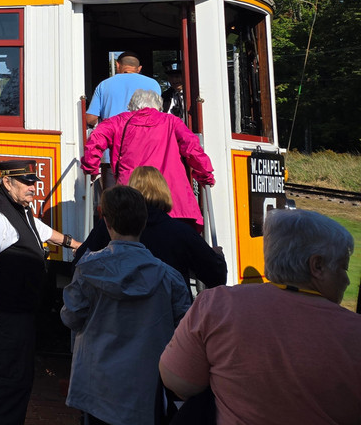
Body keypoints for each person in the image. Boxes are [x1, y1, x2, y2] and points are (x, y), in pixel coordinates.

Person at [159, 209, 361, 425]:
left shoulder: (216, 305)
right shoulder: (354, 332)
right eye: (343, 268)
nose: (347, 281)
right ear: (317, 266)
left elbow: (177, 382)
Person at [63, 185, 192, 425]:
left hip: (97, 386)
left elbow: (71, 317)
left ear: (107, 223)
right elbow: (184, 331)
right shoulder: (169, 277)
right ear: (143, 223)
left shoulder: (88, 269)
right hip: (146, 388)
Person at [0, 159, 81, 425]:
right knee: (8, 383)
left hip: (20, 313)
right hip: (5, 314)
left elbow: (44, 232)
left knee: (19, 381)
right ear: (7, 182)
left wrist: (76, 244)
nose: (34, 188)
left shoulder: (22, 210)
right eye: (27, 182)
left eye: (35, 182)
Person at [75, 166, 227, 289]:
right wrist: (218, 257)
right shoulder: (181, 232)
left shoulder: (110, 226)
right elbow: (216, 277)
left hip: (118, 318)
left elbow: (80, 261)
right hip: (168, 319)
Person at [82, 89, 214, 227]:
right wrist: (205, 175)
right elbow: (192, 148)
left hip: (131, 196)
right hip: (172, 198)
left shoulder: (117, 122)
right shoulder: (171, 121)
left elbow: (95, 141)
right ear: (158, 107)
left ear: (131, 107)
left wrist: (90, 169)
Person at [84, 52, 160, 128]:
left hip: (113, 135)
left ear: (117, 65)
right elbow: (158, 115)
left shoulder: (104, 85)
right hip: (143, 135)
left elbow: (91, 118)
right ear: (139, 68)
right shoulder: (153, 84)